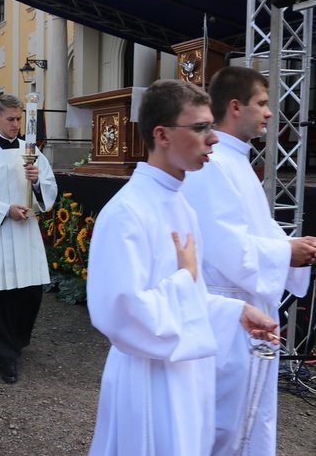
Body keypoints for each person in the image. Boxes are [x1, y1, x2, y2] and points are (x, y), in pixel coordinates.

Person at [86, 79, 280, 455]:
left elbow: (190, 298)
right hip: (149, 382)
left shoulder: (181, 205)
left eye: (211, 126)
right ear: (162, 135)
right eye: (200, 128)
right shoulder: (127, 211)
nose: (214, 138)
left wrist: (235, 311)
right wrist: (186, 277)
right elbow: (118, 312)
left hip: (187, 375)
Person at [180, 66, 315, 455]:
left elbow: (256, 228)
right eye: (262, 103)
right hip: (228, 316)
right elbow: (226, 248)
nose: (270, 113)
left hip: (248, 316)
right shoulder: (214, 162)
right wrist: (286, 253)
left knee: (249, 420)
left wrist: (291, 245)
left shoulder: (236, 160)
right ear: (235, 107)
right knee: (225, 426)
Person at [0, 94, 57, 384]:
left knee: (29, 292)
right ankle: (5, 357)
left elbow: (49, 189)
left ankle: (15, 341)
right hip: (0, 233)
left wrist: (37, 181)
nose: (16, 125)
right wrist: (5, 210)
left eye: (19, 119)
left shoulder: (32, 152)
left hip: (26, 233)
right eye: (11, 119)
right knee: (1, 294)